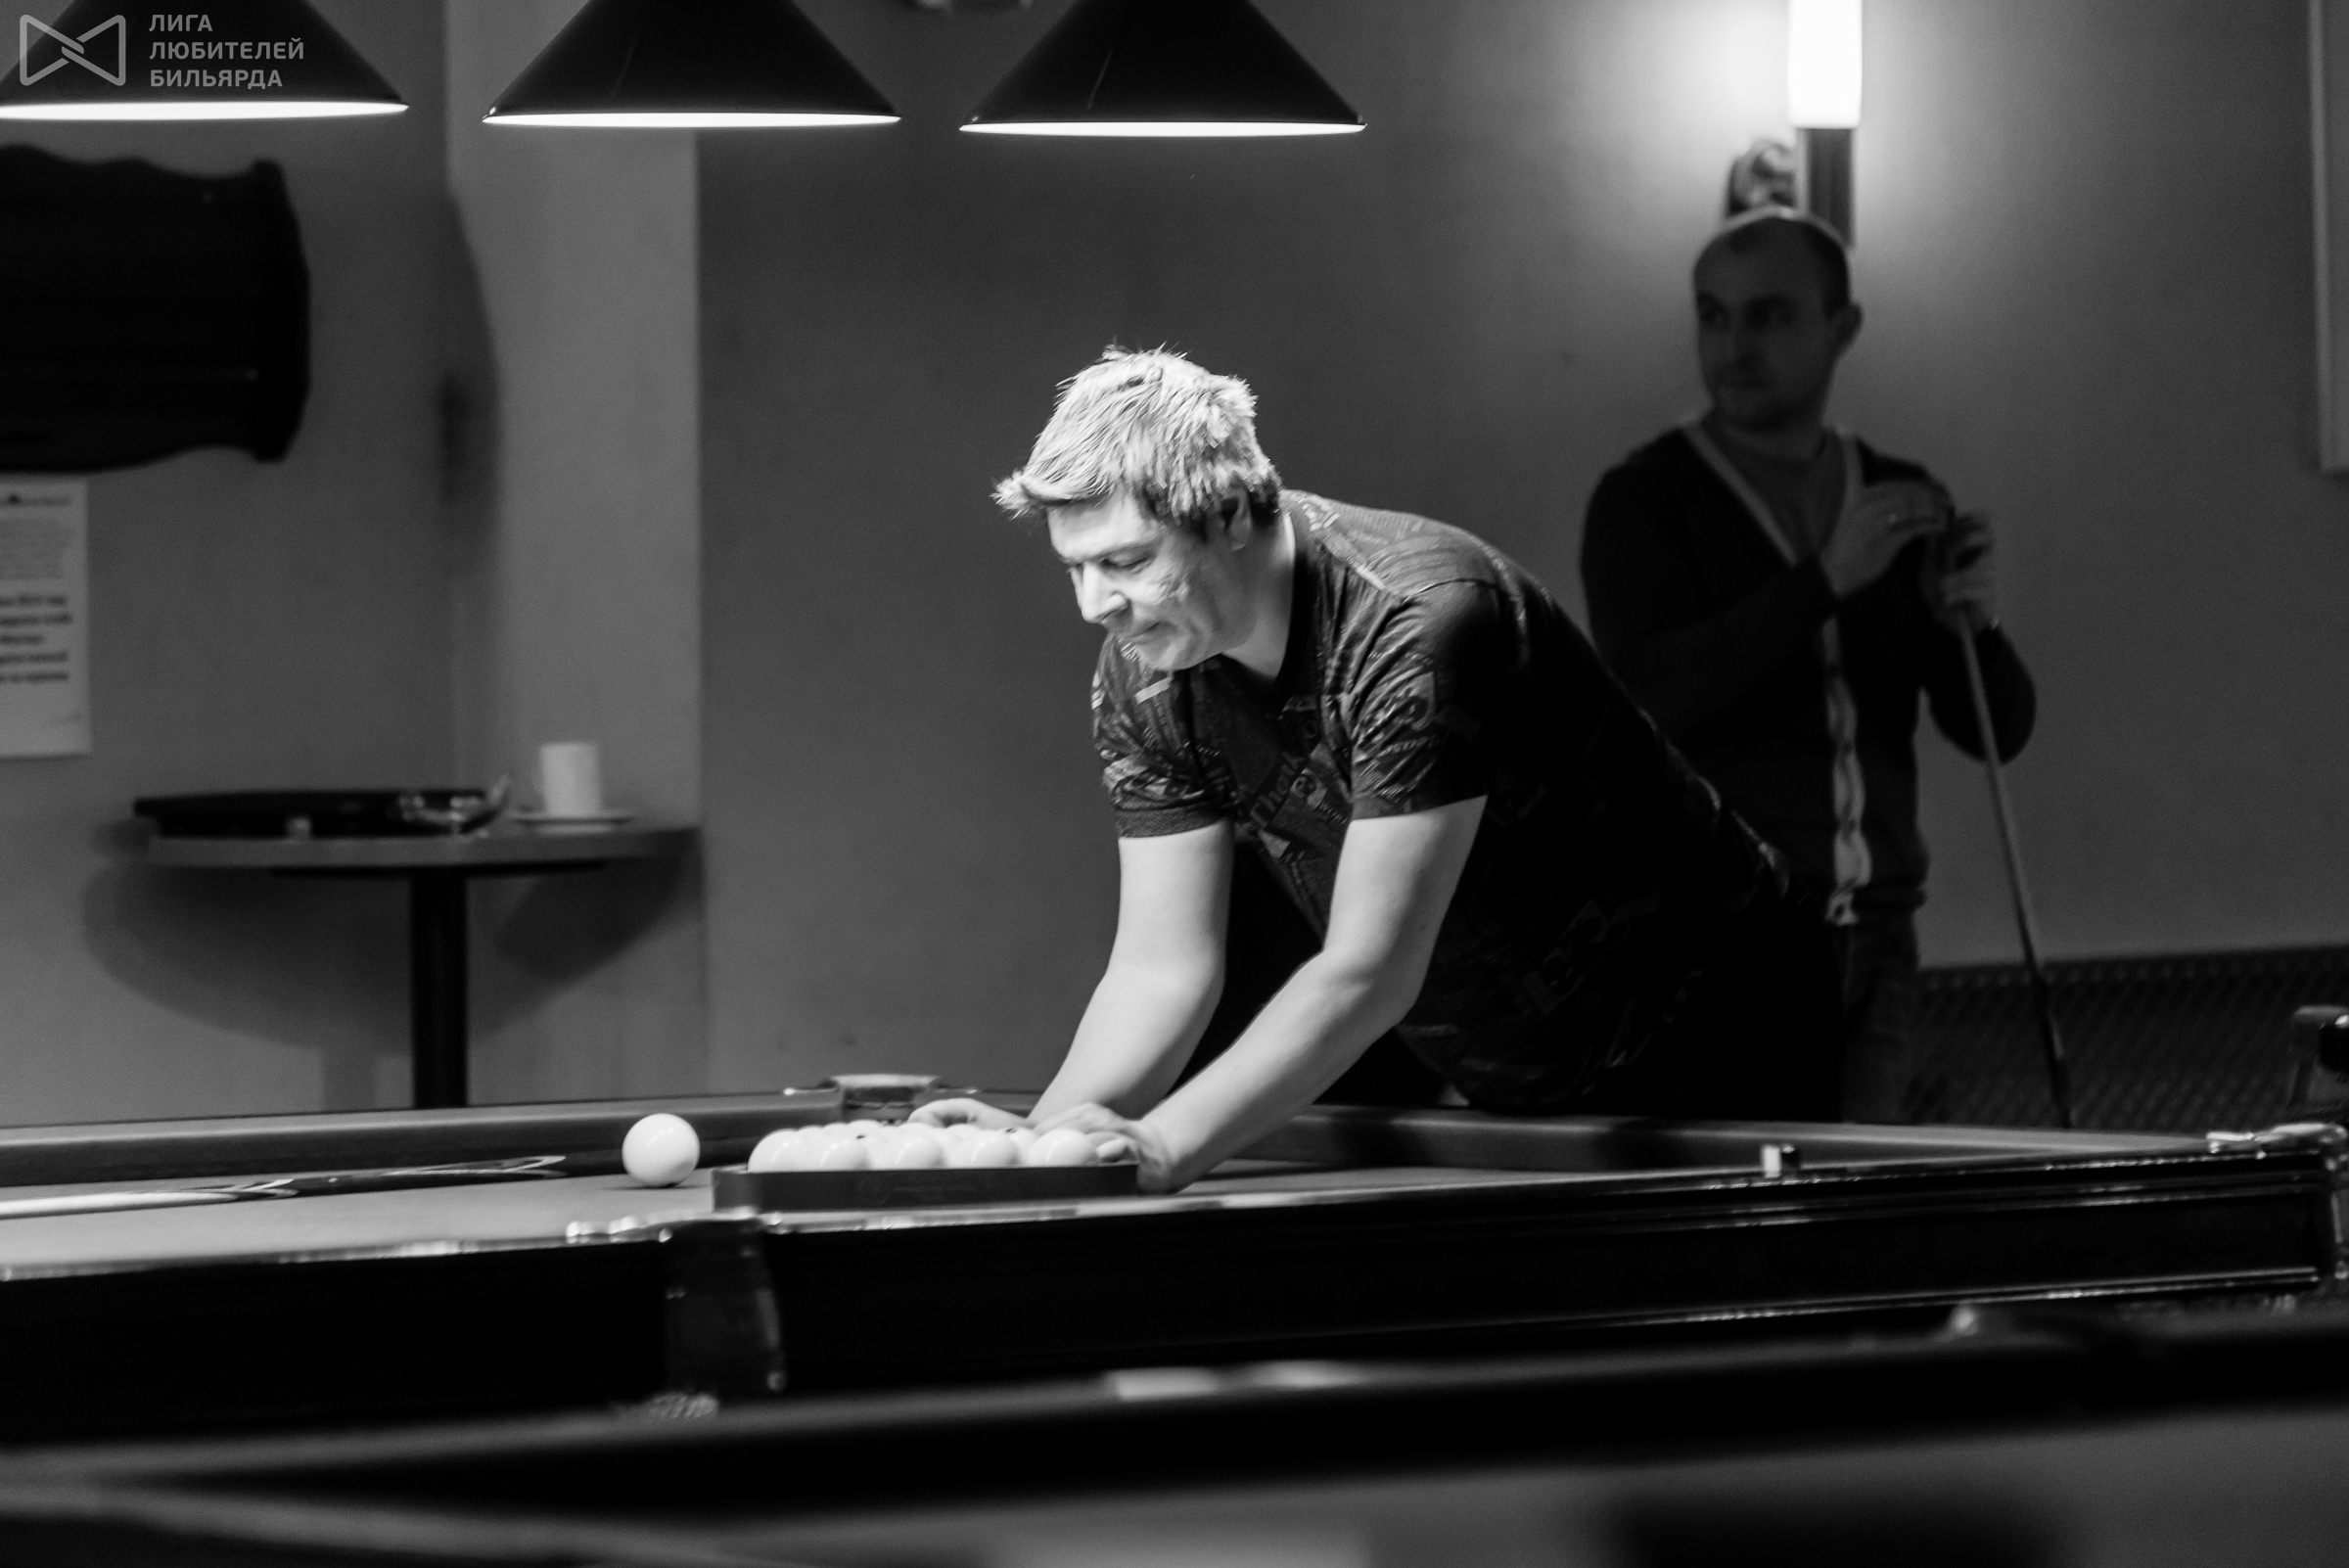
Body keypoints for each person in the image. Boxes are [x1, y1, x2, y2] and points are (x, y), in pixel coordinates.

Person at [918, 347, 1839, 1192]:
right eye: (1074, 568)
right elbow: (1163, 966)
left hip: (1733, 1025)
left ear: (1230, 513)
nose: (1095, 605)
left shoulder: (1421, 622)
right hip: (1532, 1079)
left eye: (1124, 561)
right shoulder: (1148, 672)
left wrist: (1163, 1146)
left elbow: (1369, 970)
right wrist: (1039, 1146)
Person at [1579, 208, 2037, 1123]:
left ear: (1843, 327)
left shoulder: (1895, 495)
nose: (1734, 347)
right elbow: (1650, 697)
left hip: (1880, 936)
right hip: (1730, 943)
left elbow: (1999, 729)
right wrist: (1827, 580)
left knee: (1854, 1188)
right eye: (1714, 316)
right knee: (1755, 1188)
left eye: (1770, 316)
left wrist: (1968, 624)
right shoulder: (1647, 499)